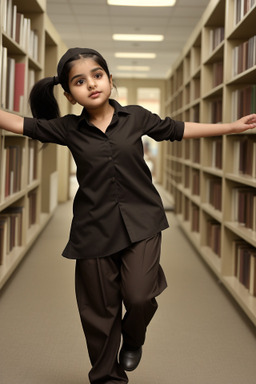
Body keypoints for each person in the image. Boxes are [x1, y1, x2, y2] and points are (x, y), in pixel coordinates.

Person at [0, 47, 256, 384]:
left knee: (139, 295)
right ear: (69, 95)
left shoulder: (136, 117)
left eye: (97, 75)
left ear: (109, 79)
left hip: (142, 222)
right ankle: (108, 378)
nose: (91, 84)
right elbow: (19, 124)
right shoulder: (67, 129)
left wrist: (230, 127)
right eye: (79, 81)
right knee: (99, 314)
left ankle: (133, 338)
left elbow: (177, 129)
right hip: (93, 229)